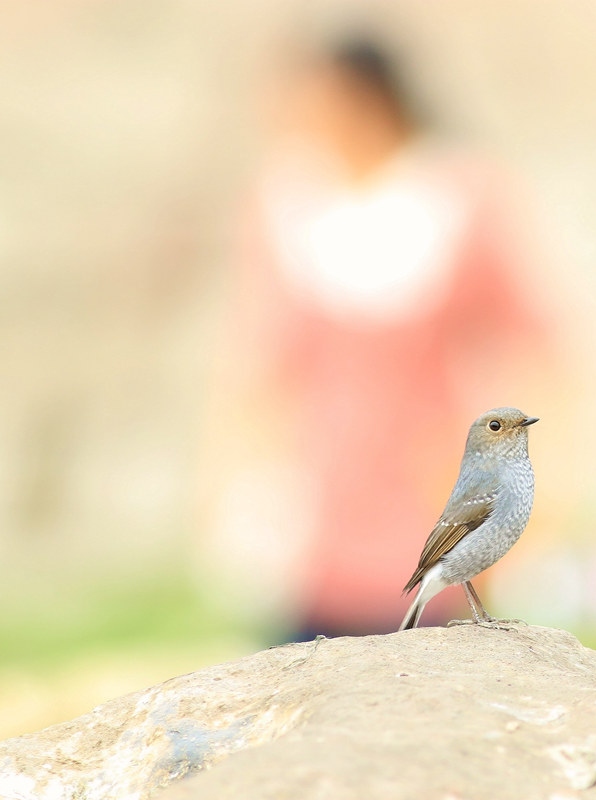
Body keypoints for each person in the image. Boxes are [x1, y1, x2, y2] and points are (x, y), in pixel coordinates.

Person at [202, 36, 540, 639]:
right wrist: (243, 493)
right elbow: (258, 365)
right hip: (316, 516)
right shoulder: (284, 201)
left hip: (429, 495)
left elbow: (537, 342)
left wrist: (528, 504)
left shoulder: (460, 196)